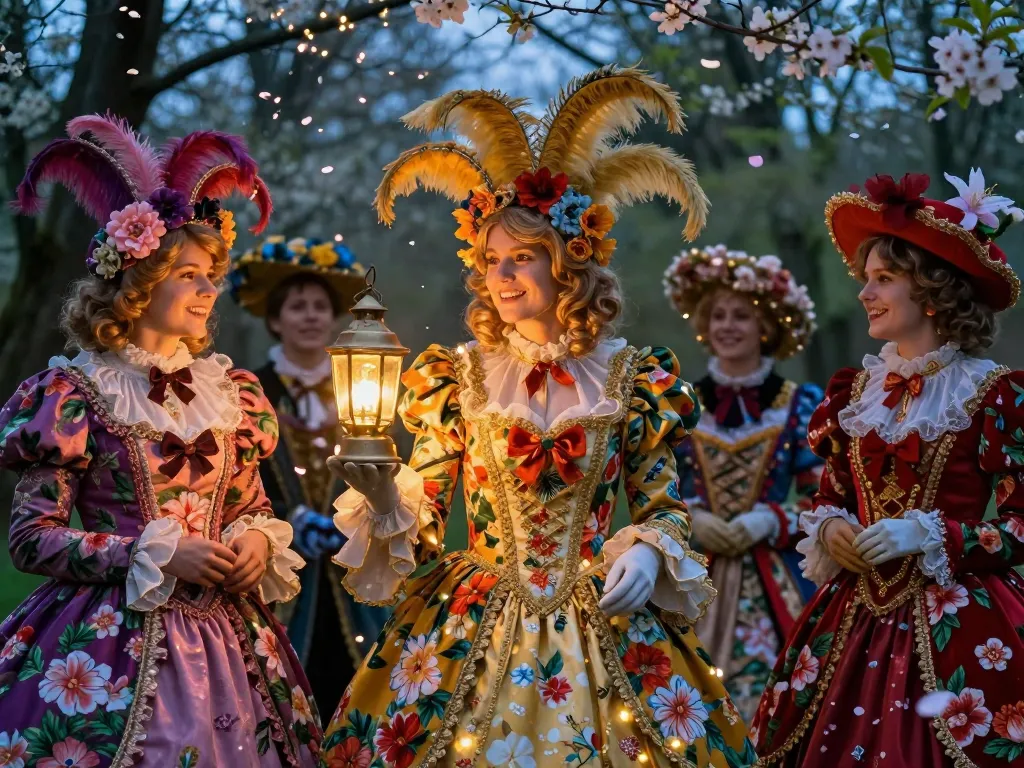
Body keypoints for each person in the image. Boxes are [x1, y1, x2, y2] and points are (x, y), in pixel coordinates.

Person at [316, 66, 756, 768]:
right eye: (492, 258)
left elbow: (666, 504)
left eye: (524, 256)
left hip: (604, 620)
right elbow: (425, 503)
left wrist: (644, 548)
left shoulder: (636, 381)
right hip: (473, 623)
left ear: (571, 263)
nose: (504, 275)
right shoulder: (456, 378)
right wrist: (380, 497)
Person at [0, 115, 320, 766]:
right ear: (139, 280)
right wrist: (154, 554)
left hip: (230, 643)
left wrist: (256, 538)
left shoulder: (229, 393)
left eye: (211, 276)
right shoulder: (74, 394)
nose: (208, 291)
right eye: (190, 275)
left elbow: (251, 506)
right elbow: (31, 538)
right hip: (107, 641)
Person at [750, 170, 1024, 767]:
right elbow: (828, 498)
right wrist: (829, 529)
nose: (864, 294)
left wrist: (932, 534)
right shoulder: (855, 395)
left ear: (931, 290)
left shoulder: (993, 394)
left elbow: (1021, 529)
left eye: (884, 279)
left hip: (961, 622)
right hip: (853, 617)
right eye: (865, 279)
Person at [229, 235, 389, 714]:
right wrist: (289, 519)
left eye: (320, 306)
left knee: (358, 680)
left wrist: (359, 516)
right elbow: (237, 474)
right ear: (276, 319)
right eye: (297, 307)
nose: (311, 316)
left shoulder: (363, 380)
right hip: (281, 562)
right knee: (283, 679)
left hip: (352, 558)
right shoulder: (251, 389)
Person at [662, 245, 822, 723]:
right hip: (694, 574)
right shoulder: (678, 403)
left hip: (777, 573)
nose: (727, 326)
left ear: (767, 328)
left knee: (785, 697)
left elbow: (827, 498)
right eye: (718, 316)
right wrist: (692, 519)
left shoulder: (801, 404)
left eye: (742, 317)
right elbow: (655, 489)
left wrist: (766, 520)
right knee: (686, 699)